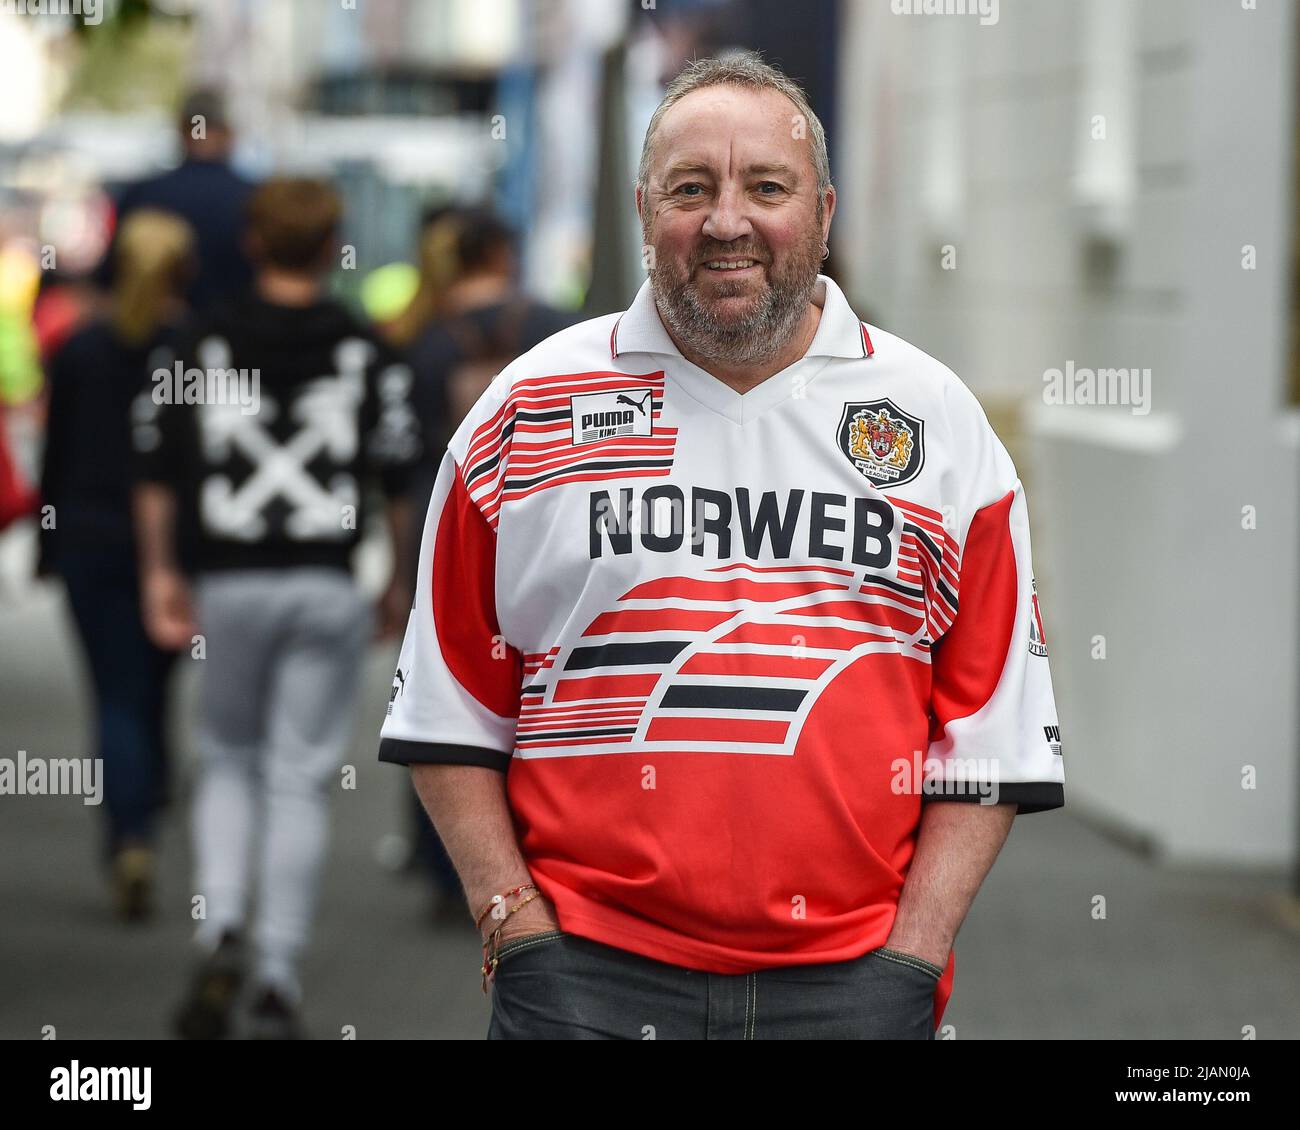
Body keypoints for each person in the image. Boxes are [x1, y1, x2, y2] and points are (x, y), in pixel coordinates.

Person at [378, 52, 1066, 1040]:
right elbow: (448, 708)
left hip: (850, 985)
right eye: (690, 188)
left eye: (766, 187)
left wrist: (913, 952)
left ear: (824, 210)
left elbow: (991, 733)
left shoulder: (936, 422)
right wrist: (511, 923)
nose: (727, 220)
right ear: (642, 205)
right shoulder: (524, 413)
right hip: (586, 977)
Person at [133, 177, 421, 1039]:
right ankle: (278, 970)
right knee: (299, 773)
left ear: (254, 243)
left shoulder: (197, 341)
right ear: (332, 243)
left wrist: (159, 573)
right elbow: (402, 480)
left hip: (231, 581)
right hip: (327, 583)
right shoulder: (368, 348)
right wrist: (399, 583)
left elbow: (153, 466)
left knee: (226, 757)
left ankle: (219, 922)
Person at [37, 210, 193, 919]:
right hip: (174, 551)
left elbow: (57, 456)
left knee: (114, 695)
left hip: (91, 540)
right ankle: (150, 795)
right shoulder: (193, 352)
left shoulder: (79, 349)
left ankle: (129, 832)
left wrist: (47, 544)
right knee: (155, 688)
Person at [107, 89, 255, 313]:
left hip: (154, 335)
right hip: (240, 335)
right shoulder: (255, 199)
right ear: (228, 133)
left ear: (181, 131)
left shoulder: (144, 194)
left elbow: (113, 275)